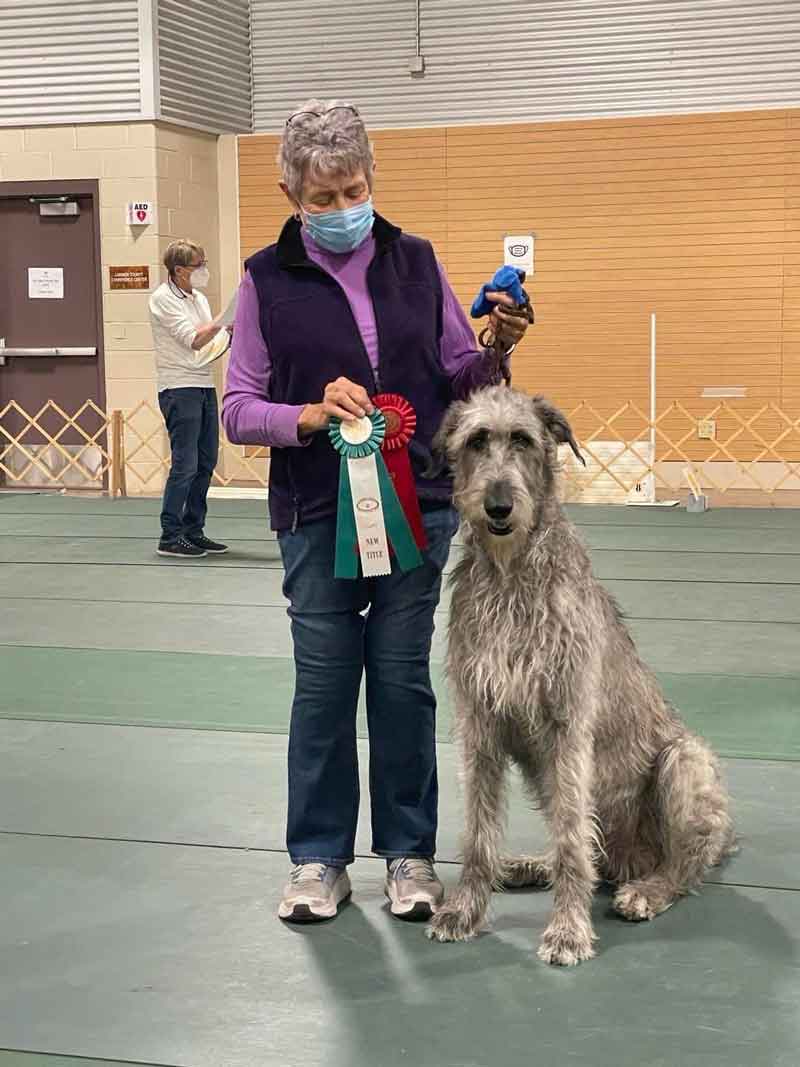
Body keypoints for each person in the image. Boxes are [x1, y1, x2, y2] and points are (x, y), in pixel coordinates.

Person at [222, 100, 530, 923]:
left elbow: (463, 376)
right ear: (290, 192)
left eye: (350, 189)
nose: (337, 208)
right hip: (314, 514)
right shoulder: (261, 280)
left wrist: (498, 344)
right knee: (323, 689)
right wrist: (309, 416)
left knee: (402, 686)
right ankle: (318, 858)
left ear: (370, 180)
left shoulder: (417, 262)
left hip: (422, 508)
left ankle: (409, 854)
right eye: (318, 197)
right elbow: (238, 408)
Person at [149, 240, 230, 558]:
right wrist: (224, 321)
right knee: (185, 464)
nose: (204, 270)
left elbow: (211, 339)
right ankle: (170, 534)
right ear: (179, 270)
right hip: (178, 387)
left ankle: (193, 530)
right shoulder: (162, 299)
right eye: (199, 265)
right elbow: (194, 339)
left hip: (203, 383)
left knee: (206, 460)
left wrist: (229, 330)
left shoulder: (198, 298)